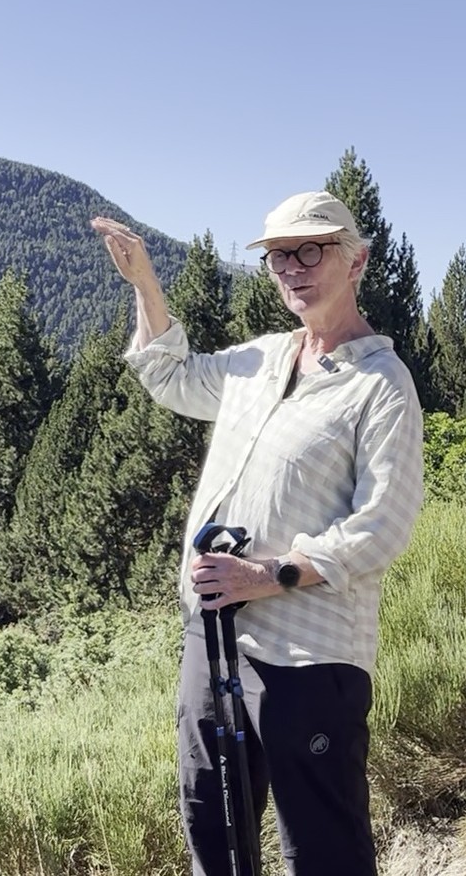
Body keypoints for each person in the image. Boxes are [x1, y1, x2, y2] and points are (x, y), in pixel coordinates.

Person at [91, 190, 424, 876]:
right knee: (212, 830)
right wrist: (145, 284)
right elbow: (172, 376)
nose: (293, 268)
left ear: (355, 260)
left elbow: (385, 522)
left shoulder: (380, 383)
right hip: (210, 641)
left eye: (311, 250)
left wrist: (272, 576)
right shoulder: (260, 361)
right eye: (278, 256)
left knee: (323, 848)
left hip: (309, 656)